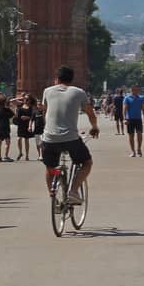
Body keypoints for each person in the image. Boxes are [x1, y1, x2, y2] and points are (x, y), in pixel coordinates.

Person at [40, 66, 99, 204]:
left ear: (57, 79)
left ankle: (53, 198)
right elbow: (90, 113)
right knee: (87, 163)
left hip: (49, 138)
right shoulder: (79, 92)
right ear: (72, 79)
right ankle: (73, 190)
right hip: (70, 139)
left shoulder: (47, 91)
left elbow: (45, 113)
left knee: (50, 167)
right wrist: (94, 127)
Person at [123, 84, 144, 157]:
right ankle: (133, 151)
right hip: (130, 119)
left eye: (136, 90)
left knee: (139, 134)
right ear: (131, 90)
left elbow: (143, 108)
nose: (134, 91)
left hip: (138, 119)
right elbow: (124, 109)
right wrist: (124, 118)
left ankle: (139, 149)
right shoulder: (127, 98)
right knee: (131, 136)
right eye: (133, 90)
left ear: (138, 90)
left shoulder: (141, 98)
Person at [0, 94, 15, 162]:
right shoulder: (7, 109)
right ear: (4, 102)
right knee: (7, 142)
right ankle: (6, 156)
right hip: (6, 127)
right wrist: (10, 107)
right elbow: (14, 115)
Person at [15, 93, 36, 161]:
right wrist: (20, 98)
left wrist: (27, 117)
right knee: (19, 138)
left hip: (27, 124)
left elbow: (33, 117)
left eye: (27, 99)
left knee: (26, 140)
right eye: (24, 99)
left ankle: (27, 155)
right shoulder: (21, 105)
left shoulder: (31, 107)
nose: (25, 100)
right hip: (20, 124)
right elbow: (11, 101)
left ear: (30, 100)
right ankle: (20, 152)